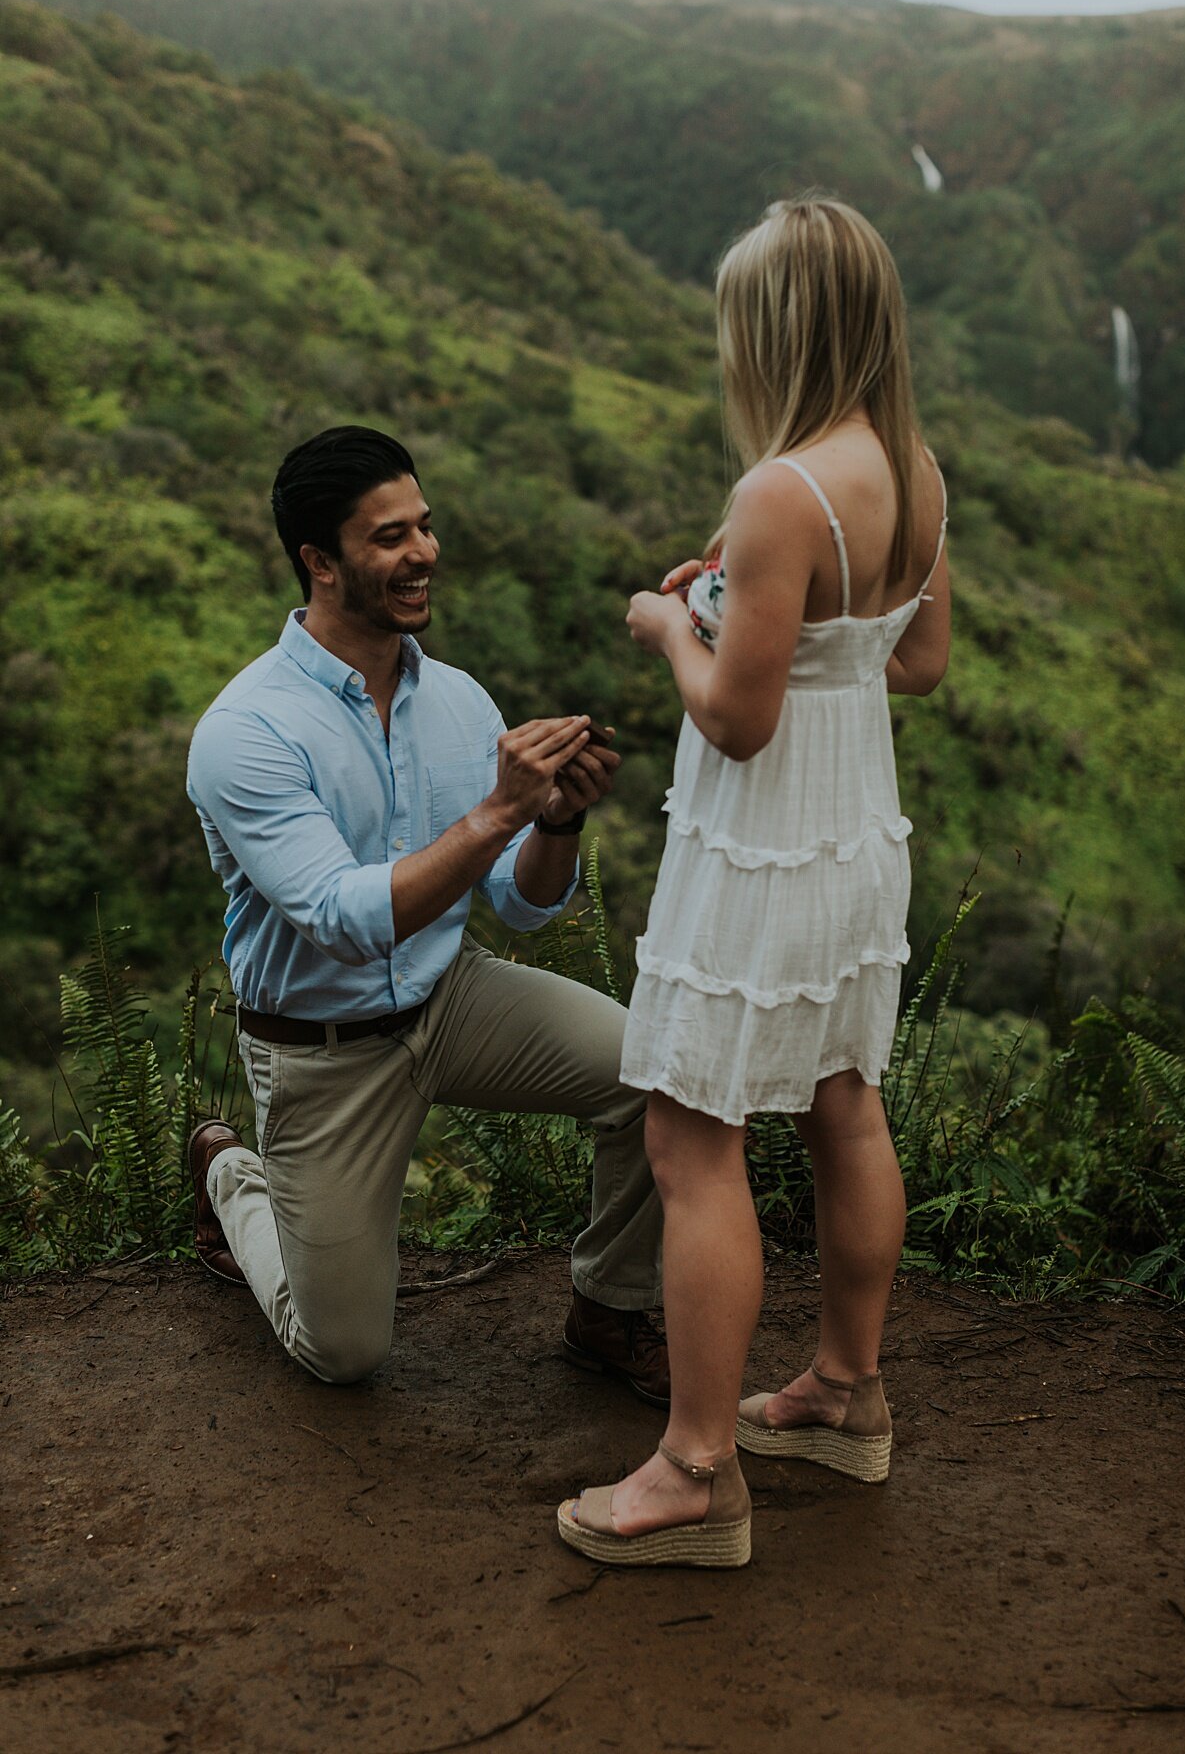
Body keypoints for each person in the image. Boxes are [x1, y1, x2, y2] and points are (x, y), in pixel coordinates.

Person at [557, 196, 951, 1568]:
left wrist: (677, 622)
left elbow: (734, 719)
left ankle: (695, 1470)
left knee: (689, 1137)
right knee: (846, 1102)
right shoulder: (915, 468)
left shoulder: (779, 489)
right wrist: (747, 606)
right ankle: (846, 1392)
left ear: (778, 328)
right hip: (857, 837)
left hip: (760, 846)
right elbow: (910, 662)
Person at [185, 425, 668, 1400]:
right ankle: (229, 1177)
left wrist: (556, 823)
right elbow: (342, 917)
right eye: (390, 537)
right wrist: (499, 809)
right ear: (320, 563)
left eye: (426, 527)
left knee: (655, 1076)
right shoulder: (247, 731)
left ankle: (608, 1310)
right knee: (344, 1354)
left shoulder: (455, 701)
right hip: (324, 1052)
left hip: (453, 1000)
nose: (424, 555)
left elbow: (523, 910)